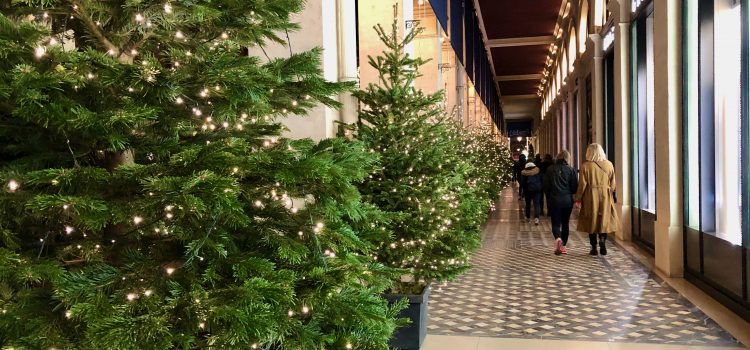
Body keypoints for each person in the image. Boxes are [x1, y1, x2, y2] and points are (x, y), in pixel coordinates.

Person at [575, 143, 620, 256]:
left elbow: (582, 185)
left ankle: (594, 247)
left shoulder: (586, 166)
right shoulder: (609, 164)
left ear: (589, 152)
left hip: (591, 195)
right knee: (603, 219)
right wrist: (609, 191)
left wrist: (578, 198)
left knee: (592, 220)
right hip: (605, 195)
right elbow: (613, 184)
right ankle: (603, 240)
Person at [543, 151, 578, 255]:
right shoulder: (571, 170)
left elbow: (546, 186)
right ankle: (563, 246)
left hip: (554, 200)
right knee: (565, 223)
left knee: (556, 223)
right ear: (568, 158)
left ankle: (558, 238)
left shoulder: (550, 169)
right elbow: (574, 187)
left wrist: (549, 196)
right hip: (567, 200)